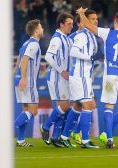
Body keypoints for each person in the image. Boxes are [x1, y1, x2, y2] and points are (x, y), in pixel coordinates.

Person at [77, 8, 118, 148]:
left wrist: (81, 13)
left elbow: (88, 26)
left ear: (115, 21)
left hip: (110, 76)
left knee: (109, 106)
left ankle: (109, 138)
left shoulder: (108, 33)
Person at [60, 9, 99, 149]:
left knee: (77, 105)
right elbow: (74, 51)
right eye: (92, 19)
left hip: (85, 75)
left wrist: (91, 74)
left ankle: (64, 137)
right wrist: (88, 57)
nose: (95, 21)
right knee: (89, 105)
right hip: (79, 75)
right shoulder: (82, 35)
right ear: (85, 21)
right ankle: (85, 140)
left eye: (96, 18)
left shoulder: (91, 35)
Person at [40, 12, 74, 147]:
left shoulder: (68, 39)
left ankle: (56, 137)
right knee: (64, 106)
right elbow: (48, 57)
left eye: (72, 24)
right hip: (56, 77)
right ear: (61, 24)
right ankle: (46, 127)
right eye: (69, 24)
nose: (71, 26)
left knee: (65, 108)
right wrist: (62, 70)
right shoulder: (57, 39)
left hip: (65, 77)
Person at [14, 19, 44, 147]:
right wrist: (24, 78)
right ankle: (6, 131)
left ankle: (20, 140)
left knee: (25, 109)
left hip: (20, 79)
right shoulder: (34, 44)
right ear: (36, 30)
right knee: (33, 110)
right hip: (28, 81)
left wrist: (17, 76)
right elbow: (25, 59)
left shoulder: (26, 43)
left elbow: (19, 60)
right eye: (41, 27)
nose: (43, 30)